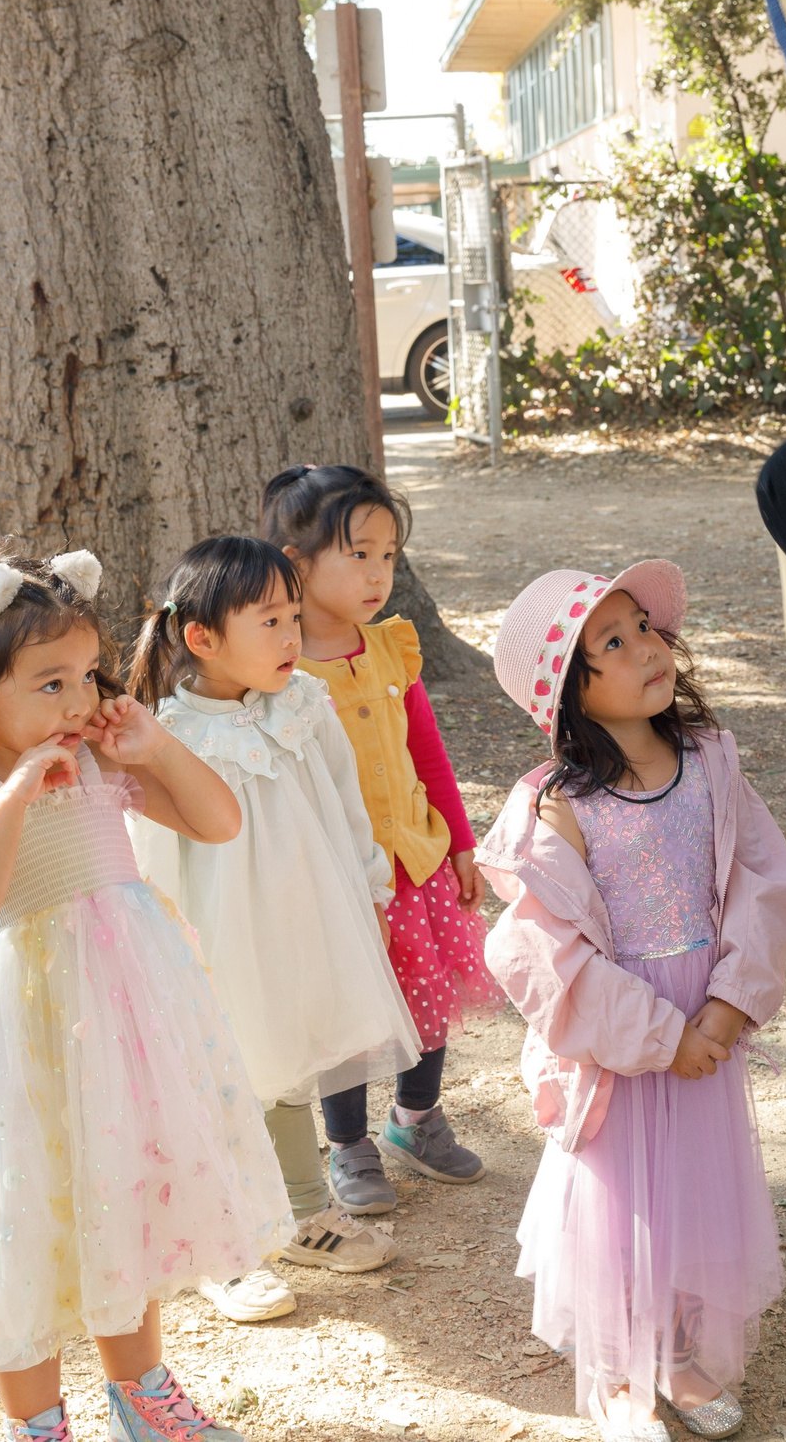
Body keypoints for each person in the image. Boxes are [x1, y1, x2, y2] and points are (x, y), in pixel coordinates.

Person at [0, 549, 287, 1442]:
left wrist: (154, 745)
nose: (79, 703)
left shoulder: (98, 764)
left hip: (116, 1025)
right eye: (50, 684)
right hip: (13, 1040)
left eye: (86, 676)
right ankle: (36, 1421)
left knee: (122, 1195)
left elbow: (218, 819)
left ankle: (143, 1397)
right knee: (23, 1219)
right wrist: (10, 796)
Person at [480, 561, 786, 1442]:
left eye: (645, 629)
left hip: (708, 1018)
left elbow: (761, 879)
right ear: (569, 695)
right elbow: (544, 952)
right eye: (611, 644)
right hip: (623, 1036)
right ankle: (621, 1362)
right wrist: (661, 1033)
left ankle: (688, 1351)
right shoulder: (560, 807)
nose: (646, 648)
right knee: (620, 1197)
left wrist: (728, 1006)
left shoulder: (707, 763)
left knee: (700, 1185)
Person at [124, 535, 424, 1323]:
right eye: (270, 620)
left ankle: (299, 1212)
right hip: (219, 940)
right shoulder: (168, 734)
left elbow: (345, 797)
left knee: (291, 1057)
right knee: (225, 1074)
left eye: (294, 615)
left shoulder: (305, 704)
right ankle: (218, 1248)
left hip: (306, 922)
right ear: (201, 638)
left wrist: (369, 885)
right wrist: (162, 948)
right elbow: (152, 851)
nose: (293, 635)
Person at [263, 464, 499, 1209]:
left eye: (388, 554)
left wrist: (460, 840)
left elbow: (425, 750)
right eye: (358, 552)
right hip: (337, 877)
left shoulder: (393, 647)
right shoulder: (278, 665)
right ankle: (348, 1143)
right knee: (345, 1014)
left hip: (417, 858)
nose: (378, 572)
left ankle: (416, 1118)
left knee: (426, 997)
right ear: (297, 563)